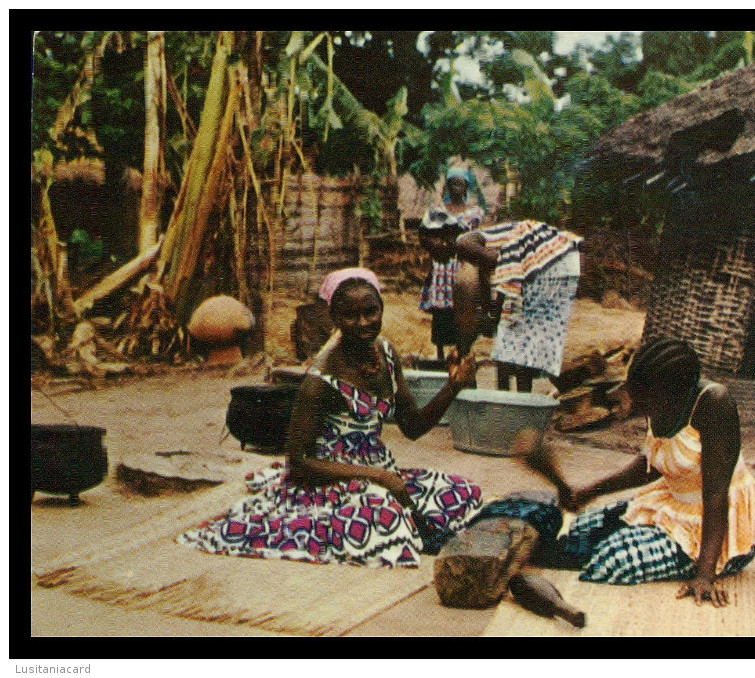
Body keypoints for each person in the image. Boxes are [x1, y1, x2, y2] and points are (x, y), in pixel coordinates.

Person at [178, 268, 485, 568]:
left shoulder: (387, 355)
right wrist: (377, 477)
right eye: (350, 316)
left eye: (370, 313)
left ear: (382, 310)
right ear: (334, 319)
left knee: (461, 492)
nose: (362, 323)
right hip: (330, 481)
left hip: (380, 473)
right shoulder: (321, 380)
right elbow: (298, 465)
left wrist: (453, 386)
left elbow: (413, 427)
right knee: (386, 519)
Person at [551, 336, 755, 606]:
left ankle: (706, 562)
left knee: (613, 560)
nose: (634, 403)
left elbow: (716, 496)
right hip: (674, 504)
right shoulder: (659, 399)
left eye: (641, 398)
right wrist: (591, 491)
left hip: (716, 527)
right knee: (582, 530)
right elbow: (652, 464)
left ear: (672, 396)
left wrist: (704, 574)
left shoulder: (715, 404)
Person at [453, 219, 582, 392]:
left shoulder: (467, 245)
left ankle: (516, 398)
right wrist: (491, 313)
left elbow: (504, 276)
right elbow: (496, 279)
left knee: (516, 351)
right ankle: (512, 397)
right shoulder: (480, 249)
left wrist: (493, 314)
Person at [418, 167, 486, 361]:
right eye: (452, 183)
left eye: (460, 183)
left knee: (464, 307)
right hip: (443, 266)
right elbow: (424, 235)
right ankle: (440, 355)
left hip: (463, 265)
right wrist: (436, 246)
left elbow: (479, 237)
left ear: (466, 187)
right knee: (441, 311)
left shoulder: (475, 213)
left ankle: (461, 352)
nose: (456, 187)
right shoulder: (437, 211)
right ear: (447, 187)